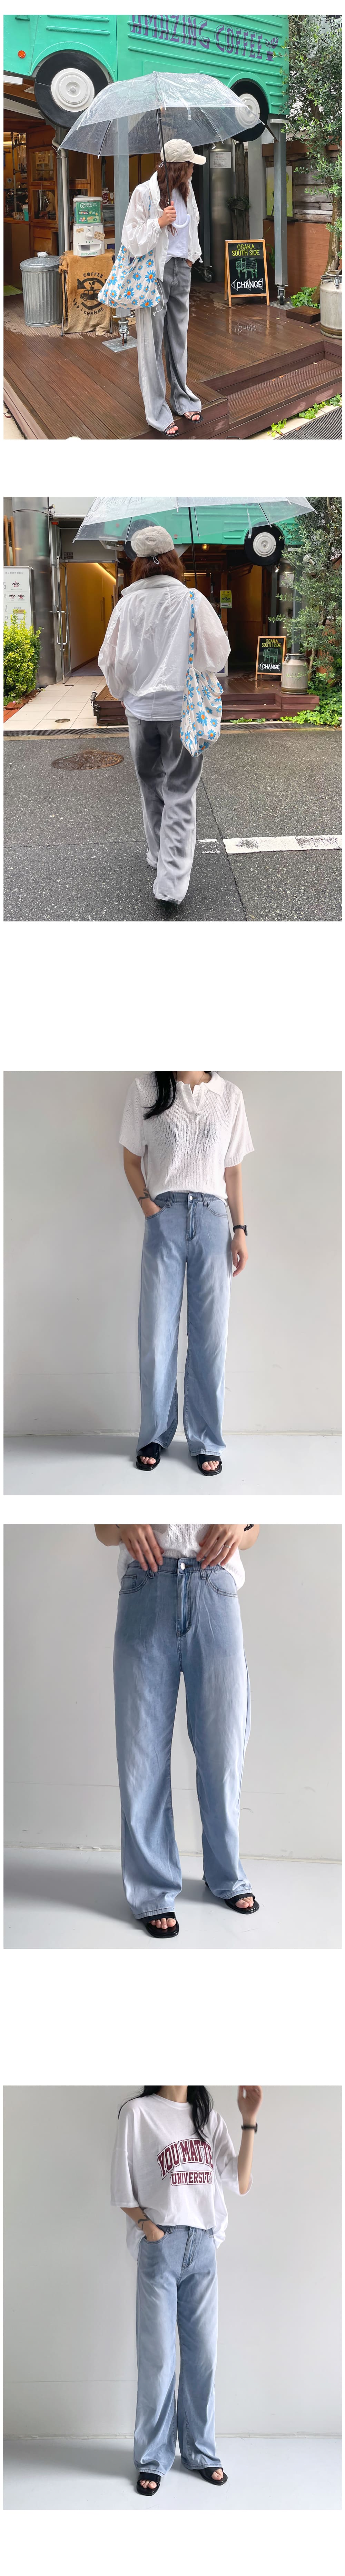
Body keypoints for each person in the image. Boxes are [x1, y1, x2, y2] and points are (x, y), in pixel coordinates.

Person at [95, 1519, 260, 1936]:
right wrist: (124, 1522)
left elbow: (251, 1536)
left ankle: (226, 1873)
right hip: (145, 1586)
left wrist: (237, 1525)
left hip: (216, 1589)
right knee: (141, 1755)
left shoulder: (230, 1480)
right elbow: (103, 1531)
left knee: (224, 1753)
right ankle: (152, 1888)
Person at [111, 2082, 262, 2492]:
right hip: (161, 2244)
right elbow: (122, 2187)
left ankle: (200, 2452)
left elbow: (240, 2182)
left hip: (204, 2247)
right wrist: (149, 2228)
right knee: (159, 2359)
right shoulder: (139, 2113)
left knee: (203, 2358)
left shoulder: (207, 2119)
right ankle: (153, 2458)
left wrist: (248, 2121)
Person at [118, 1069, 253, 1471]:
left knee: (211, 1335)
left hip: (213, 1219)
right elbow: (131, 1160)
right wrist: (149, 1208)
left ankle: (207, 1438)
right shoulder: (146, 1088)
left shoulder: (229, 1096)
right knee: (156, 1333)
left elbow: (233, 1171)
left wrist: (240, 1230)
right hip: (164, 1216)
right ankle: (155, 1434)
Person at [98, 526, 229, 905]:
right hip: (182, 710)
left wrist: (124, 693)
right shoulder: (192, 600)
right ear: (174, 559)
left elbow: (112, 661)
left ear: (138, 564)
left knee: (151, 785)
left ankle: (158, 854)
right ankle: (171, 884)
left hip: (140, 713)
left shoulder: (125, 606)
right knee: (180, 792)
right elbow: (216, 655)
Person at [121, 140, 205, 435]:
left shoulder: (186, 190)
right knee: (151, 344)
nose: (194, 170)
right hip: (154, 274)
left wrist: (192, 257)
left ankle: (182, 399)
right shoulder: (144, 193)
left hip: (182, 268)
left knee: (178, 339)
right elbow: (130, 237)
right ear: (179, 167)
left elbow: (192, 225)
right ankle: (158, 411)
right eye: (191, 165)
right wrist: (159, 222)